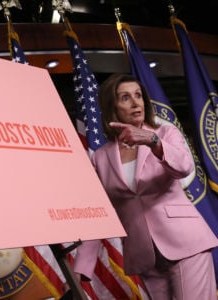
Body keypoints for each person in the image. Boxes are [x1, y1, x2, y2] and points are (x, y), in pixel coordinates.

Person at [73, 73, 218, 299]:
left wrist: (152, 141)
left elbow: (184, 167)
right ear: (112, 107)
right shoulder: (100, 157)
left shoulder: (164, 133)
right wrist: (81, 267)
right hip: (144, 255)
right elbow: (102, 214)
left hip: (186, 244)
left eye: (138, 95)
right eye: (125, 97)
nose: (135, 102)